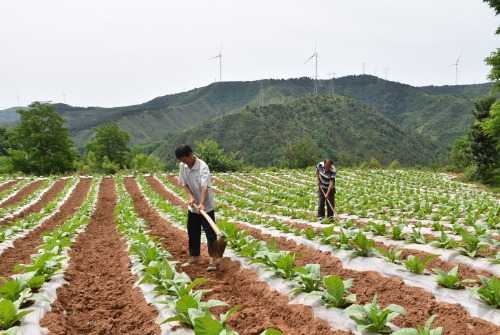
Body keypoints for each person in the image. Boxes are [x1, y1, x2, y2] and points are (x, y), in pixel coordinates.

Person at [175, 144, 218, 271]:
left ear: (190, 155)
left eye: (184, 159)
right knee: (192, 231)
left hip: (206, 206)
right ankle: (194, 256)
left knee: (211, 234)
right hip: (193, 207)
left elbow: (205, 187)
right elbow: (184, 183)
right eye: (181, 161)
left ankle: (214, 259)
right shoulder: (183, 166)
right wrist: (190, 197)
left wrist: (202, 203)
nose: (184, 163)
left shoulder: (203, 167)